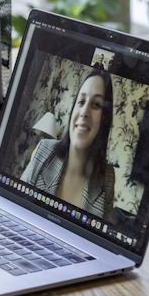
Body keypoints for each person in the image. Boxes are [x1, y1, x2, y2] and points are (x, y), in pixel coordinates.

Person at [21, 66, 116, 221]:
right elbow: (16, 204)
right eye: (81, 101)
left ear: (104, 119)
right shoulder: (43, 150)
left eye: (96, 105)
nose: (85, 112)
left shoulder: (107, 177)